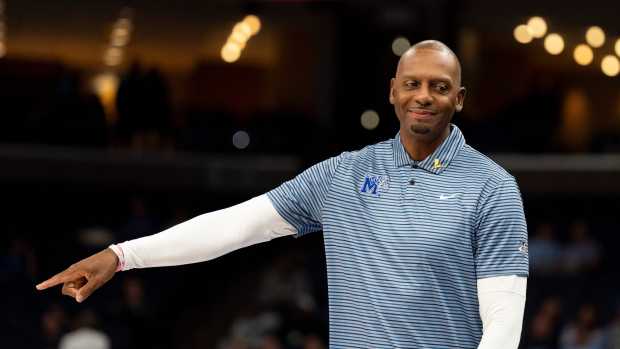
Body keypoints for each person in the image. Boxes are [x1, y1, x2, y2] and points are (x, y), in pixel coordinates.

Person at [36, 40, 529, 348]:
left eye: (440, 87)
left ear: (459, 99)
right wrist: (122, 256)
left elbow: (504, 325)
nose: (424, 95)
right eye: (413, 84)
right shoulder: (343, 175)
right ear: (393, 91)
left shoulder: (492, 188)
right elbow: (236, 225)